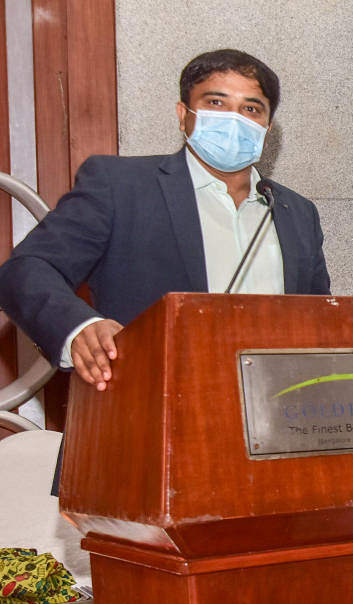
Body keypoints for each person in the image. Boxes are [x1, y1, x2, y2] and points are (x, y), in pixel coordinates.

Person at [0, 49, 330, 392]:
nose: (234, 119)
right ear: (183, 115)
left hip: (277, 415)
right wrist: (79, 328)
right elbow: (26, 270)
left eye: (250, 109)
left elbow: (323, 320)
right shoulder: (120, 186)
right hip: (147, 411)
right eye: (216, 103)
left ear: (266, 127)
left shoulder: (297, 212)